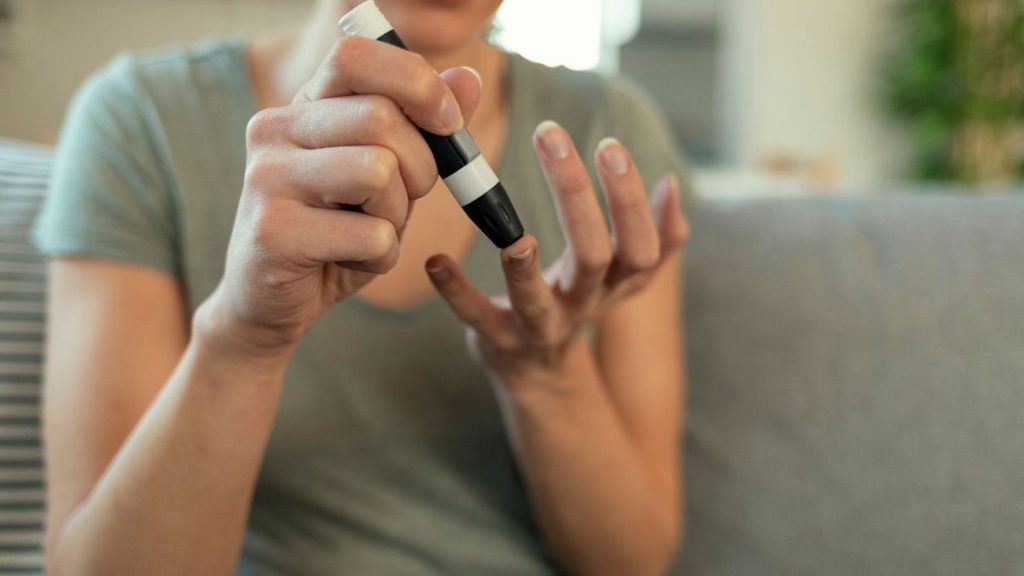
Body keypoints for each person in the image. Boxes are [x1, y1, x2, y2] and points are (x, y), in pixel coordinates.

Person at [34, 0, 693, 573]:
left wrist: (548, 376)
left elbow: (630, 562)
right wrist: (245, 338)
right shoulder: (144, 118)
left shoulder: (608, 119)